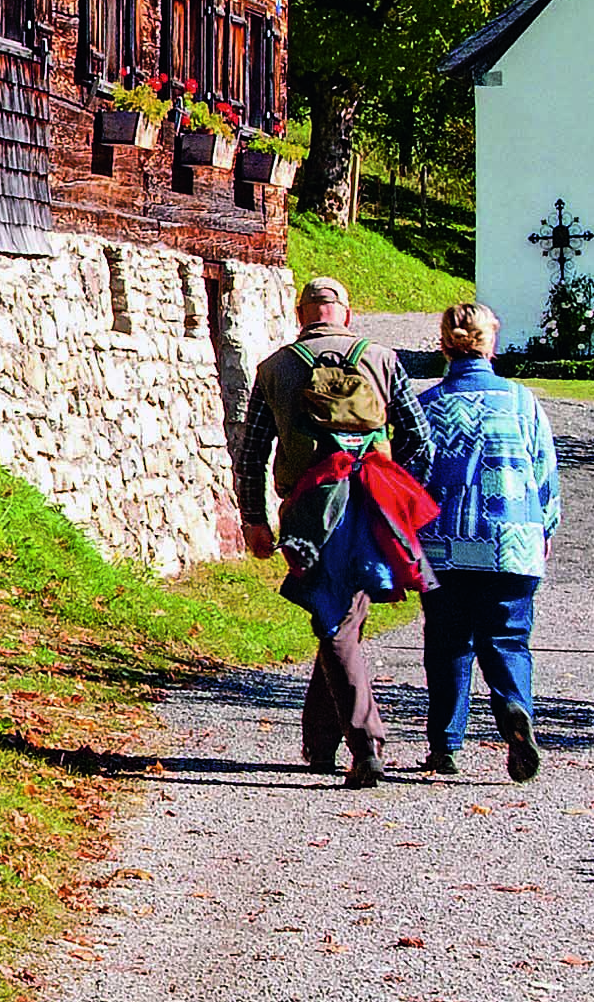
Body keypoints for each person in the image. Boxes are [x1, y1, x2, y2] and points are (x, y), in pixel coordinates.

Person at [237, 277, 425, 781]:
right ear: (346, 313)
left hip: (308, 511)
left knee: (336, 621)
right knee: (341, 619)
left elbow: (251, 453)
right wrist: (393, 481)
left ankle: (362, 743)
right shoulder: (381, 359)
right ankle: (325, 745)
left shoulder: (274, 368)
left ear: (301, 315)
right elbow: (420, 438)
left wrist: (253, 519)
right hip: (372, 505)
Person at [405, 302, 556, 780]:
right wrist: (544, 528)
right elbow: (545, 474)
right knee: (509, 637)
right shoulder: (521, 402)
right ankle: (515, 709)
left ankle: (445, 745)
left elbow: (410, 478)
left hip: (444, 543)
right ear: (490, 342)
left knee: (447, 642)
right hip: (511, 540)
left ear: (445, 343)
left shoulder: (427, 406)